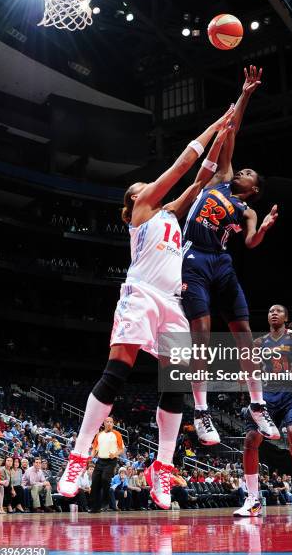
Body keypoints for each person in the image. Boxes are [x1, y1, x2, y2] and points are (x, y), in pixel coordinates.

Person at [57, 106, 235, 510]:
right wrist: (215, 122)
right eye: (141, 186)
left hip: (172, 303)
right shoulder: (141, 213)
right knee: (117, 371)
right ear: (133, 201)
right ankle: (78, 455)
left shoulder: (171, 214)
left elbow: (201, 175)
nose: (147, 187)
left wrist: (227, 128)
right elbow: (182, 165)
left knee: (174, 386)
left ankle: (162, 467)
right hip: (141, 294)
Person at [181, 66, 280, 445]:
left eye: (250, 173)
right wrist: (246, 94)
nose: (245, 170)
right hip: (194, 258)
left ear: (253, 190)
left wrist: (266, 228)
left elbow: (251, 244)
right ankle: (202, 411)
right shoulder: (221, 177)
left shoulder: (248, 210)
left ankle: (257, 405)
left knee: (244, 334)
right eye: (246, 169)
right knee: (201, 334)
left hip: (221, 262)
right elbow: (233, 129)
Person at [235, 305, 292, 516]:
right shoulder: (258, 343)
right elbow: (247, 369)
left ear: (286, 317)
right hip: (267, 398)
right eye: (270, 310)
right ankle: (253, 499)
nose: (273, 313)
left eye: (278, 311)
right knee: (251, 439)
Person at [89, 417, 124, 513]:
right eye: (107, 422)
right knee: (95, 482)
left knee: (105, 479)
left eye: (111, 422)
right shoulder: (99, 435)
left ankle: (105, 502)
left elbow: (121, 449)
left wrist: (115, 454)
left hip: (111, 461)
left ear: (113, 424)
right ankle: (95, 507)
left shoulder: (117, 434)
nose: (109, 423)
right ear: (104, 423)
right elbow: (94, 449)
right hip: (100, 460)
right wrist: (91, 456)